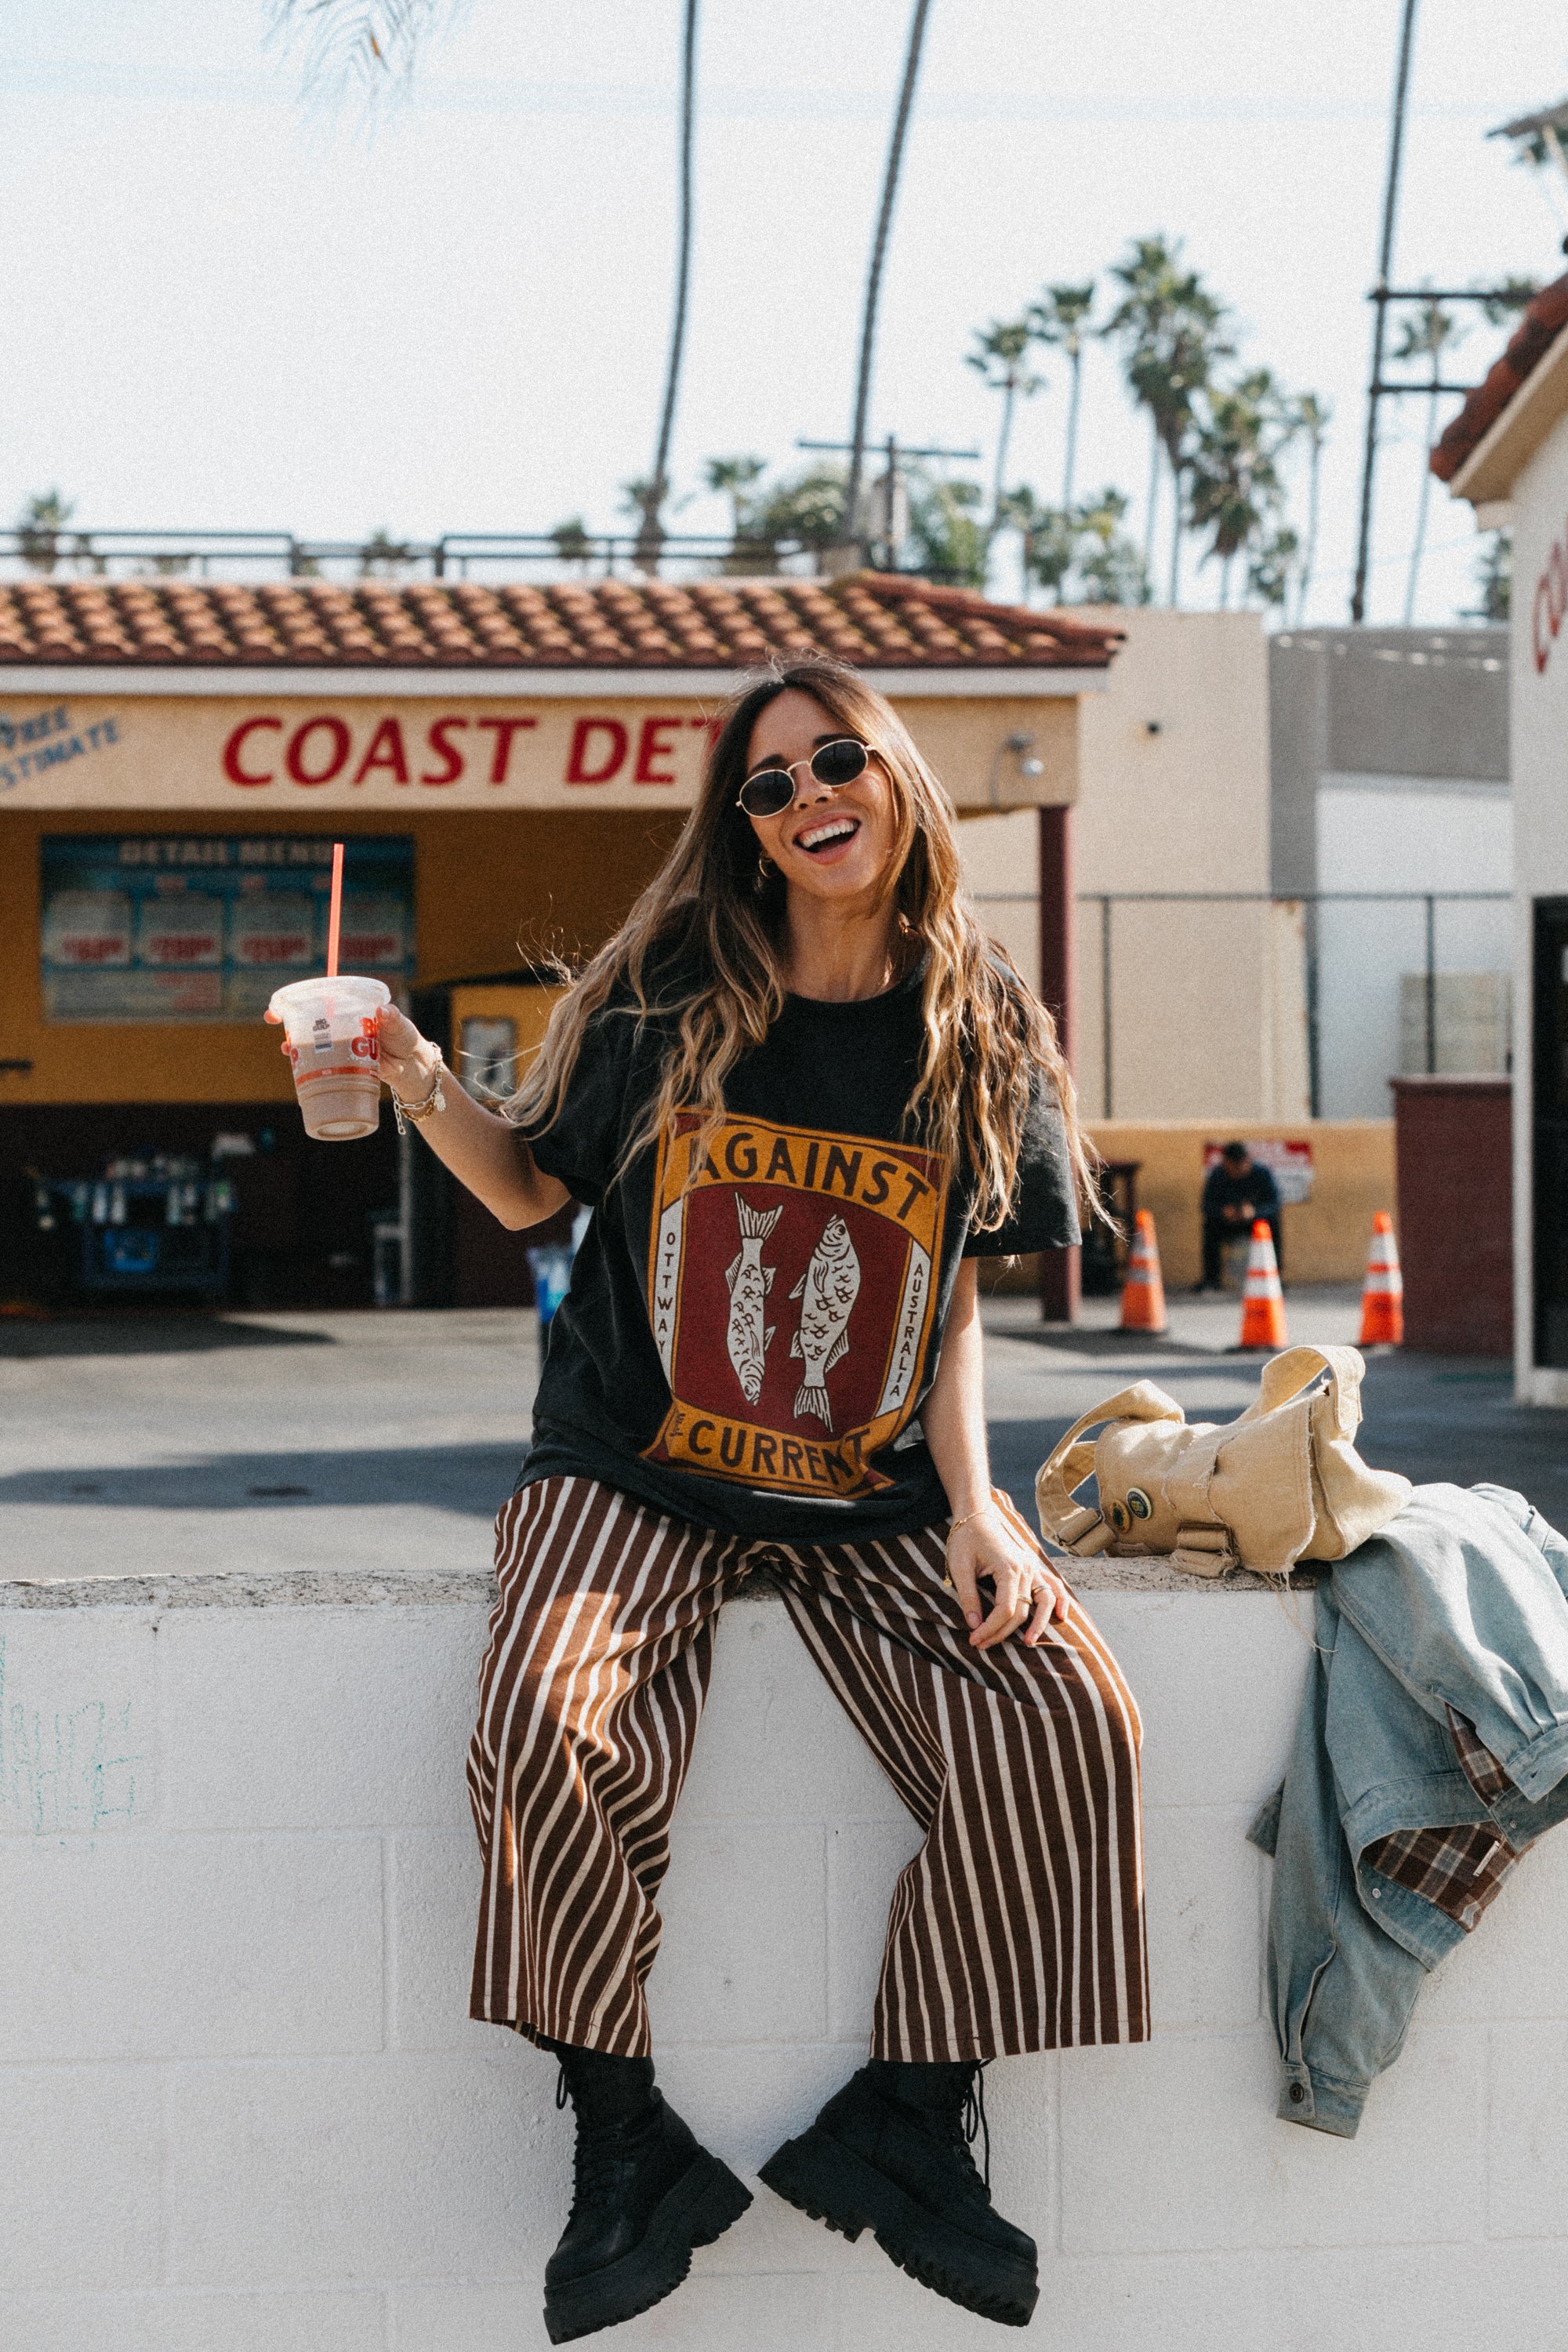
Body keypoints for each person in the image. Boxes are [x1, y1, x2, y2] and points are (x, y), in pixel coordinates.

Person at [373, 658, 1148, 2342]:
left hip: (865, 1490)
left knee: (1067, 1720)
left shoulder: (978, 1022)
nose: (809, 798)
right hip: (633, 1463)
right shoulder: (674, 988)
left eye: (838, 761)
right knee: (548, 1722)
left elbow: (942, 1293)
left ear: (898, 783)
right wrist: (410, 1066)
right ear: (744, 829)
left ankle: (910, 2118)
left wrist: (979, 1500)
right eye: (770, 784)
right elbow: (525, 1185)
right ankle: (622, 2135)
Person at [1196, 1140, 1282, 1292]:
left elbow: (1274, 1204)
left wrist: (1255, 1212)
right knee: (1210, 1226)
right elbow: (1206, 1206)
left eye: (1241, 1165)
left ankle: (1275, 1277)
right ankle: (1211, 1279)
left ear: (1248, 1160)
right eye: (1233, 1166)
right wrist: (1223, 1212)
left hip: (1253, 1223)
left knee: (1272, 1225)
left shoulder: (1262, 1174)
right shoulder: (1218, 1175)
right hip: (1227, 1223)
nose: (1237, 1170)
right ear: (1226, 1163)